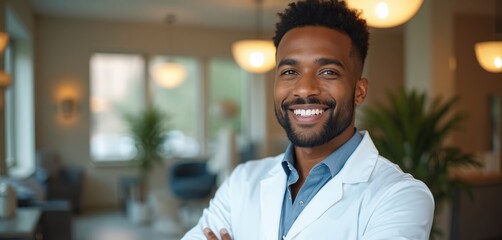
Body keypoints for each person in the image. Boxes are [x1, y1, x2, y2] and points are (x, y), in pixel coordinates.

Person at [182, 0, 434, 239]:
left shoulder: (400, 196)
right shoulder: (242, 181)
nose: (304, 89)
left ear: (359, 91)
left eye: (328, 72)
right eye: (290, 71)